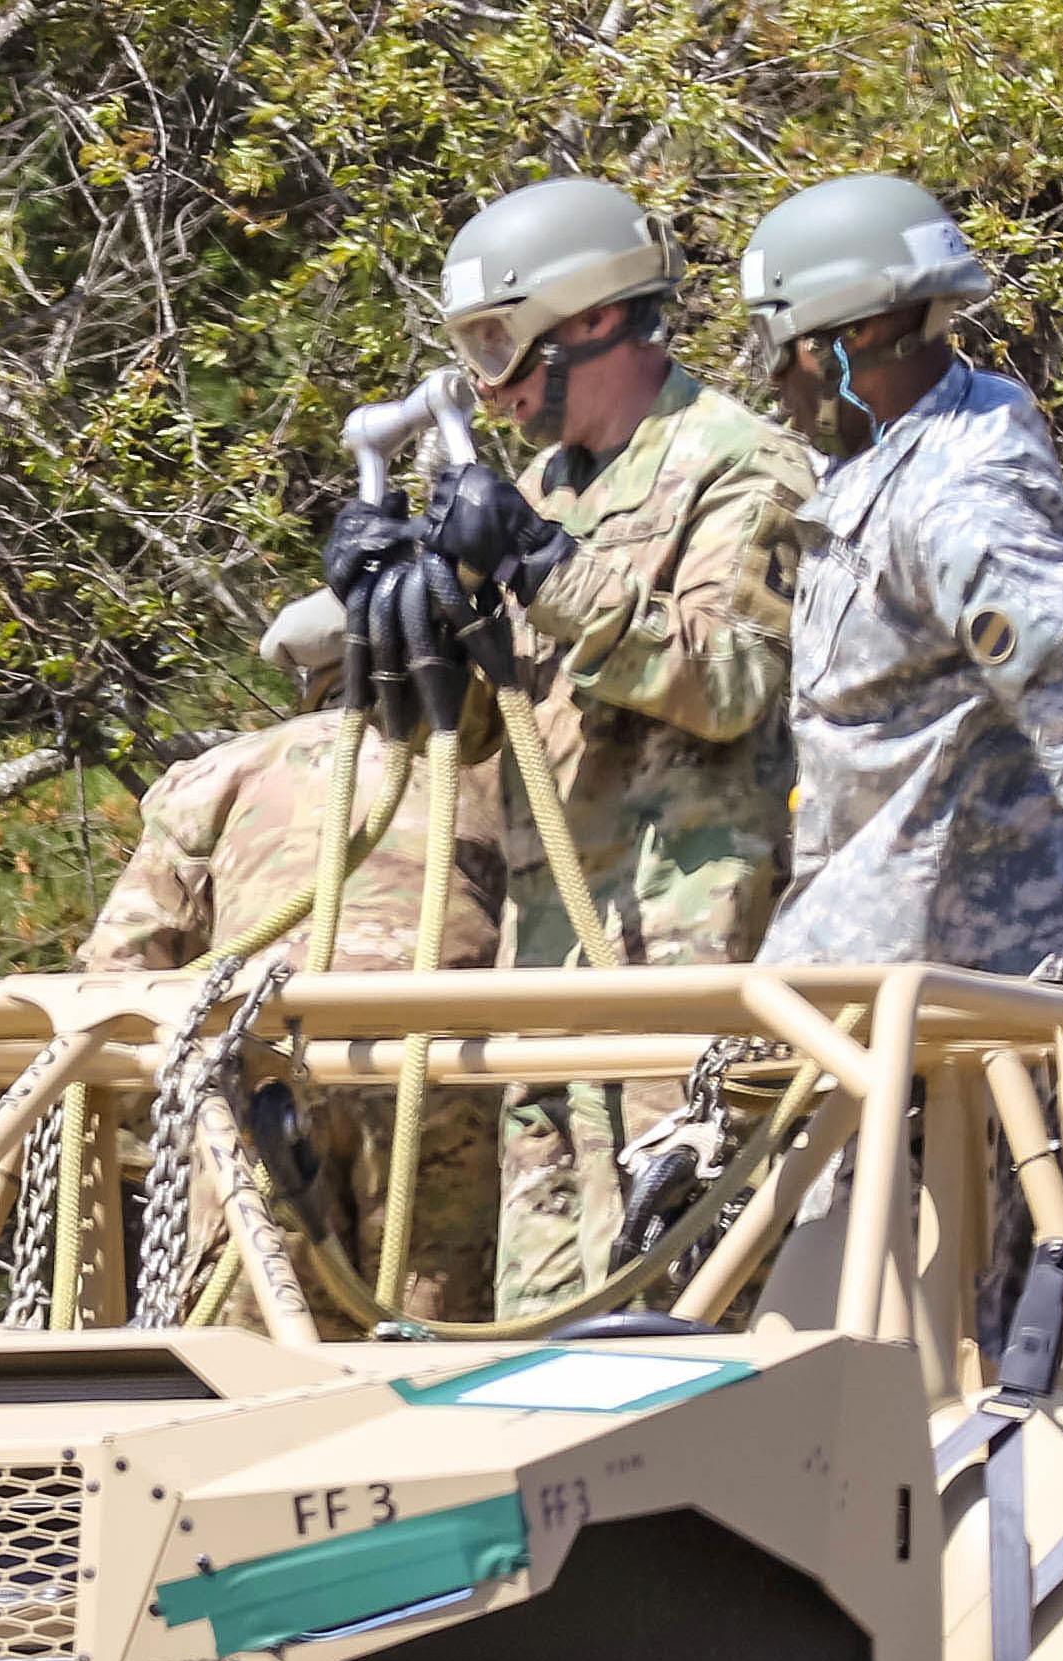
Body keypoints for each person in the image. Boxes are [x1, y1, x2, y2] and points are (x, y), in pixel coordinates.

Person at [372, 175, 811, 1315]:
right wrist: (399, 625)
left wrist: (537, 564)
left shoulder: (741, 462)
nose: (483, 381)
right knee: (538, 1321)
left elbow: (731, 681)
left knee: (674, 1316)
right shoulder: (537, 489)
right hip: (553, 961)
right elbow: (480, 734)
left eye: (495, 341)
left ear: (593, 320)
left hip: (682, 961)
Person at [734, 173, 1063, 998]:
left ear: (852, 338)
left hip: (961, 996)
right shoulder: (881, 463)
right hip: (861, 974)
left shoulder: (961, 503)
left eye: (780, 345)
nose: (774, 379)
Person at [77, 594, 507, 1319]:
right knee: (437, 1362)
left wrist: (171, 1127)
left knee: (252, 1366)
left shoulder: (223, 773)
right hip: (438, 1085)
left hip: (259, 1085)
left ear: (314, 680)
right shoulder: (501, 772)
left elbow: (118, 974)